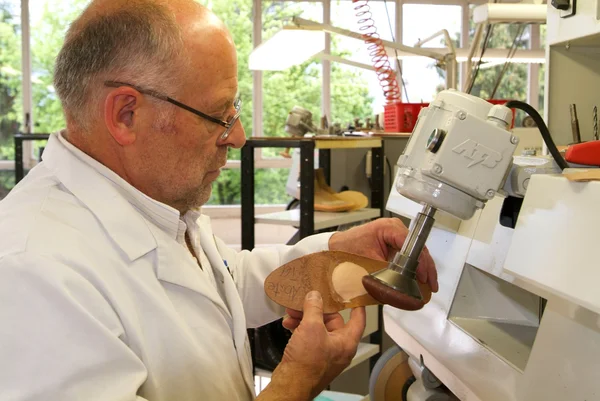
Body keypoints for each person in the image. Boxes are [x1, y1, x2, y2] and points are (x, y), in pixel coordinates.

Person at [0, 1, 437, 400]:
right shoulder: (33, 271)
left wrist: (334, 251)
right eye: (219, 115)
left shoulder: (152, 201)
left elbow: (222, 282)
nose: (239, 136)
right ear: (126, 115)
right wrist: (298, 381)